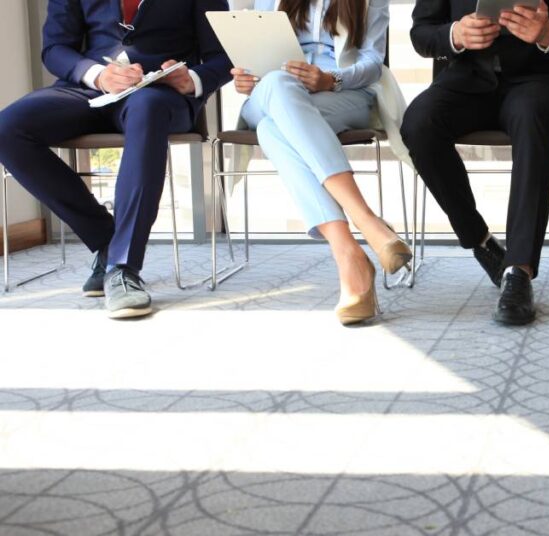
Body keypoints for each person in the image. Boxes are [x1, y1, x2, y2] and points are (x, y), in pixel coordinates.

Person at [0, 0, 233, 319]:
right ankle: (106, 240)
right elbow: (55, 48)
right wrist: (97, 75)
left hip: (161, 94)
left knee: (147, 108)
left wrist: (192, 78)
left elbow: (224, 55)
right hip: (90, 89)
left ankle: (123, 267)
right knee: (8, 129)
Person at [401, 0, 549, 326]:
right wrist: (455, 35)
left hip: (537, 81)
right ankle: (481, 241)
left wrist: (547, 32)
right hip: (465, 80)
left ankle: (519, 271)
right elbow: (421, 34)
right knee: (418, 124)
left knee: (532, 118)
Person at [231, 0, 411, 325]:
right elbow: (253, 55)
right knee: (275, 85)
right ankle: (368, 221)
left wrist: (331, 79)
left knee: (273, 129)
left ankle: (348, 255)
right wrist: (245, 79)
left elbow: (373, 62)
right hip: (270, 93)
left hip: (341, 94)